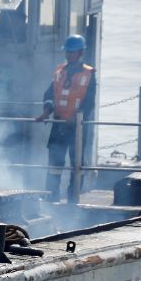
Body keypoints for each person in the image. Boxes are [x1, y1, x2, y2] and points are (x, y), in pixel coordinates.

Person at [36, 35, 97, 202]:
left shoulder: (89, 74)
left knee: (76, 164)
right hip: (58, 124)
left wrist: (76, 117)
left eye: (72, 52)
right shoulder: (60, 72)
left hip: (77, 127)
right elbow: (50, 94)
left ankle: (73, 198)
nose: (69, 55)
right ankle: (51, 197)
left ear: (80, 52)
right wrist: (46, 111)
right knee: (54, 164)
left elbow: (89, 102)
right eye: (67, 52)